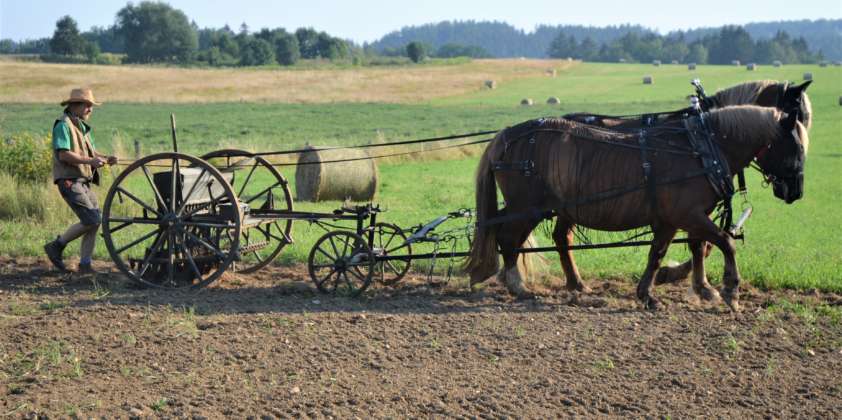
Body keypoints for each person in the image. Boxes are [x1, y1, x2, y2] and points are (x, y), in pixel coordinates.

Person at [43, 88, 117, 274]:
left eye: (91, 106)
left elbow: (90, 154)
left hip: (82, 181)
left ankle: (85, 264)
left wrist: (106, 158)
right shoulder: (63, 125)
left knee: (95, 220)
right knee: (91, 219)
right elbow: (64, 154)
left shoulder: (82, 127)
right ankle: (56, 246)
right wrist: (90, 162)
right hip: (69, 180)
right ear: (75, 105)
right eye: (88, 105)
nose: (90, 109)